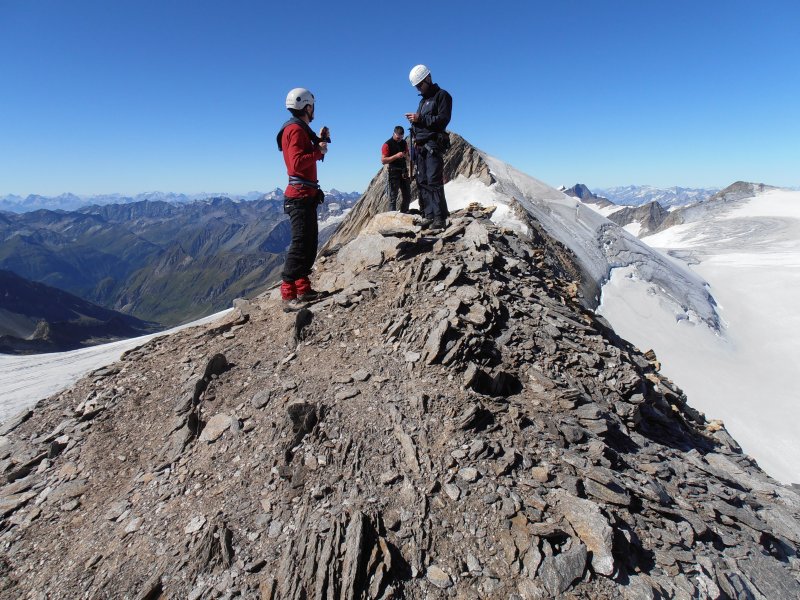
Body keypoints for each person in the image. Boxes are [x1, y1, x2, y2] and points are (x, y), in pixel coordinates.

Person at [276, 87, 328, 311]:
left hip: (304, 195)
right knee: (300, 244)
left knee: (309, 243)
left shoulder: (298, 128)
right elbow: (296, 164)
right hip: (299, 197)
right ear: (307, 107)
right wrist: (318, 152)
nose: (314, 110)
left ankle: (303, 288)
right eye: (312, 106)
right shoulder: (296, 130)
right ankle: (288, 295)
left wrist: (320, 141)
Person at [405, 64, 452, 230]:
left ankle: (439, 218)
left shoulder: (442, 96)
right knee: (423, 181)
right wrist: (415, 124)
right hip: (421, 147)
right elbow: (424, 122)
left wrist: (420, 119)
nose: (418, 88)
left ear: (428, 78)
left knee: (433, 181)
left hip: (433, 145)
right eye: (417, 86)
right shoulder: (423, 101)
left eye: (420, 85)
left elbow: (443, 120)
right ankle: (429, 215)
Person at [380, 125, 411, 212]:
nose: (399, 139)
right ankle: (392, 216)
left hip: (404, 172)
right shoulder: (387, 144)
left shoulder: (404, 143)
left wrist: (406, 156)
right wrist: (396, 156)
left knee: (407, 195)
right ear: (394, 134)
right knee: (393, 197)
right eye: (398, 137)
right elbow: (383, 160)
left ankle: (404, 212)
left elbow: (408, 157)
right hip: (393, 172)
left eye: (401, 137)